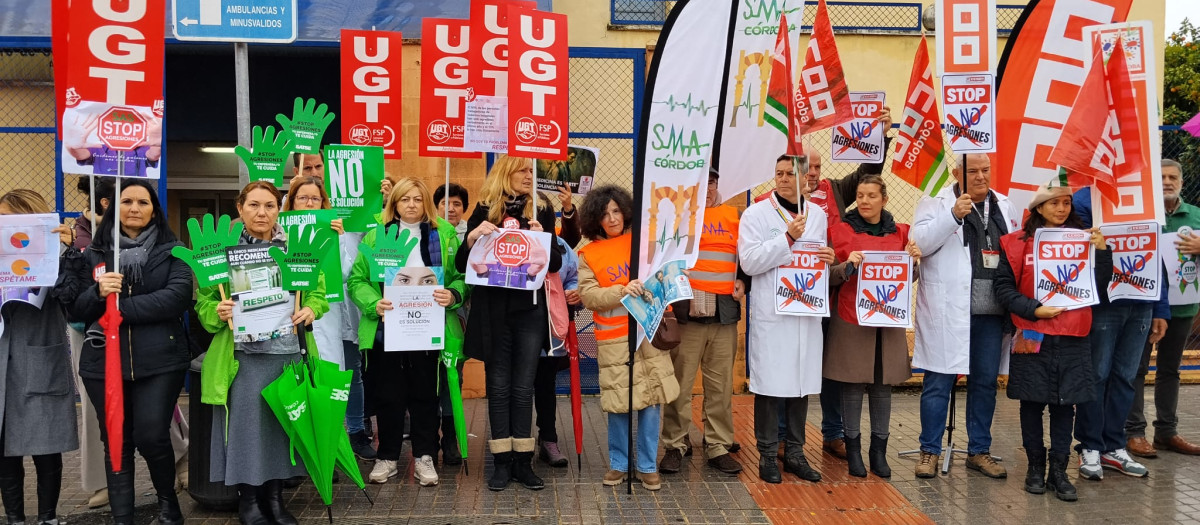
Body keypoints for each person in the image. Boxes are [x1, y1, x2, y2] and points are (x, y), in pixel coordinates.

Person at [752, 108, 894, 459]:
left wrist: (878, 136)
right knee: (784, 369)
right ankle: (781, 438)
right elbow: (752, 251)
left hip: (833, 293)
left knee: (829, 370)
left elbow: (867, 174)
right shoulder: (765, 206)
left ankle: (833, 433)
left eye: (816, 166)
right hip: (793, 298)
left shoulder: (836, 190)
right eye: (806, 167)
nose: (813, 172)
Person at [59, 180, 191, 525]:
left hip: (160, 361)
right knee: (116, 440)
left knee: (151, 435)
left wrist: (119, 309)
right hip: (103, 364)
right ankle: (122, 517)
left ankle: (168, 506)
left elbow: (175, 298)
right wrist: (98, 293)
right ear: (113, 208)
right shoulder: (94, 254)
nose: (134, 208)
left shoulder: (173, 251)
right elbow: (75, 310)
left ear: (154, 210)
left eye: (143, 202)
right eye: (126, 201)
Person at [198, 181, 328, 525]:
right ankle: (249, 501)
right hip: (243, 357)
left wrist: (312, 309)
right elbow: (204, 303)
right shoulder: (223, 254)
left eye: (269, 206)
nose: (261, 213)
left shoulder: (296, 249)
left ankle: (274, 498)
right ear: (240, 208)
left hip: (287, 354)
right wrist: (217, 311)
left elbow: (318, 293)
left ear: (278, 209)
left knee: (281, 429)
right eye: (254, 205)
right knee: (247, 431)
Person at [994, 180, 1108, 502]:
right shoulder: (1016, 243)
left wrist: (1102, 252)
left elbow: (1099, 286)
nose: (1061, 209)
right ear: (1039, 208)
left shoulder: (1085, 240)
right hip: (1032, 333)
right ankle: (1034, 468)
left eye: (1066, 203)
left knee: (1064, 405)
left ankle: (1059, 471)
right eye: (1054, 203)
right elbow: (1003, 289)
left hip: (1073, 335)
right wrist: (1034, 309)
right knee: (1031, 403)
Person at [348, 177, 466, 487]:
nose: (411, 205)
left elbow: (460, 276)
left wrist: (453, 294)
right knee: (389, 395)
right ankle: (387, 457)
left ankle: (424, 456)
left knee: (425, 395)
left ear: (425, 202)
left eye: (417, 199)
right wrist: (374, 303)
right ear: (394, 203)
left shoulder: (444, 234)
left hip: (428, 328)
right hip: (387, 329)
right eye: (404, 199)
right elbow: (357, 280)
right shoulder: (376, 236)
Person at [911, 153, 1020, 479]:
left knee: (985, 383)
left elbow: (1015, 249)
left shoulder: (1004, 205)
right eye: (973, 171)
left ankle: (979, 451)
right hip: (949, 312)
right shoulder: (936, 202)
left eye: (986, 170)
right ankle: (929, 451)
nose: (981, 176)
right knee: (938, 381)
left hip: (991, 314)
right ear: (957, 172)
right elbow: (920, 243)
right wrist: (952, 217)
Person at [576, 185, 680, 490]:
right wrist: (622, 290)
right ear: (595, 219)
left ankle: (647, 466)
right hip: (614, 339)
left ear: (625, 212)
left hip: (648, 332)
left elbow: (663, 276)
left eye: (616, 211)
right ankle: (619, 465)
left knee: (651, 400)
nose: (612, 218)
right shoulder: (588, 254)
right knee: (618, 403)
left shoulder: (644, 243)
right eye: (605, 214)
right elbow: (589, 296)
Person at [738, 154, 834, 484]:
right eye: (778, 173)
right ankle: (767, 455)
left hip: (805, 312)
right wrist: (787, 238)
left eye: (789, 174)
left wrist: (828, 257)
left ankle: (794, 453)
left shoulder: (818, 215)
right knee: (769, 386)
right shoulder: (756, 214)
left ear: (805, 178)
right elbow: (749, 262)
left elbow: (818, 257)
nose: (781, 178)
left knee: (800, 384)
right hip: (773, 315)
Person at [824, 176, 920, 478]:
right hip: (850, 318)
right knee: (852, 386)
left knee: (882, 386)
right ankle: (854, 451)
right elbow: (826, 276)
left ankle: (878, 452)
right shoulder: (839, 231)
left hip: (887, 320)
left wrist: (914, 264)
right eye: (860, 195)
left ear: (884, 200)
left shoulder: (902, 233)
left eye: (871, 196)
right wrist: (846, 266)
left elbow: (908, 278)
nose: (864, 201)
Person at [1069, 182, 1166, 479]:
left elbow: (1156, 252)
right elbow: (1078, 251)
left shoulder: (1146, 196)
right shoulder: (1084, 200)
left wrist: (1161, 308)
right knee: (1097, 375)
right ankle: (1090, 446)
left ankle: (1114, 445)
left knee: (1125, 377)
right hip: (1105, 303)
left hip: (1142, 302)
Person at [281, 177, 375, 460]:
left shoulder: (333, 231)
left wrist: (340, 239)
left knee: (328, 381)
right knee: (296, 382)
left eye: (315, 198)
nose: (309, 203)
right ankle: (299, 451)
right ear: (292, 202)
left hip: (326, 314)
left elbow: (345, 274)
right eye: (303, 198)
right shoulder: (278, 232)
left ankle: (329, 450)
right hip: (287, 316)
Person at [659, 167, 745, 476]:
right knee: (680, 386)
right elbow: (662, 259)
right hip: (687, 316)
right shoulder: (676, 218)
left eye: (711, 182)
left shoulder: (735, 217)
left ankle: (718, 445)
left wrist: (744, 280)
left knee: (720, 386)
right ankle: (675, 444)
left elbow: (747, 256)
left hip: (724, 315)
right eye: (701, 182)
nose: (707, 188)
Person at [0, 190, 78, 525]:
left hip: (40, 355)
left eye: (12, 218)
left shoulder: (58, 253)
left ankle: (48, 517)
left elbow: (72, 298)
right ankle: (14, 518)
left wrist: (67, 252)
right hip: (4, 359)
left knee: (47, 444)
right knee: (4, 449)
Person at [1126, 159, 1200, 458]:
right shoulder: (1142, 213)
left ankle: (1166, 432)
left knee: (1170, 369)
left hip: (1183, 307)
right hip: (1145, 306)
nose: (1168, 182)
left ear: (1181, 181)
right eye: (1162, 177)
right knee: (1137, 368)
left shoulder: (1195, 215)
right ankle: (1134, 432)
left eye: (1173, 177)